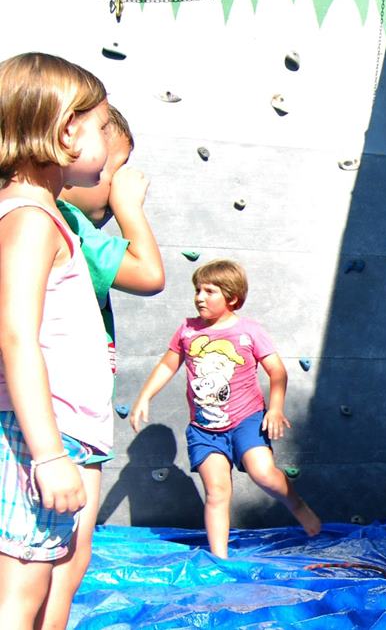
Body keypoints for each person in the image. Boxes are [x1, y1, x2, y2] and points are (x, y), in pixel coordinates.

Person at [38, 106, 165, 630]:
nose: (114, 185)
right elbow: (150, 274)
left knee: (65, 558)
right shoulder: (61, 222)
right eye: (113, 170)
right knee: (56, 561)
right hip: (61, 420)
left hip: (76, 419)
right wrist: (130, 207)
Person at [0, 52, 114, 629]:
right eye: (102, 127)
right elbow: (15, 336)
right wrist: (48, 454)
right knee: (19, 589)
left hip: (51, 431)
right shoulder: (28, 218)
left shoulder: (46, 215)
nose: (108, 142)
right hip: (35, 436)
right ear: (66, 130)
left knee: (41, 577)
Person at [130, 260, 321, 558]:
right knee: (217, 492)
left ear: (232, 297)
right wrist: (145, 396)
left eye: (209, 291)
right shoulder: (187, 330)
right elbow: (168, 365)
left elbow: (277, 371)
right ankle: (219, 558)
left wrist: (275, 409)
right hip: (204, 429)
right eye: (197, 290)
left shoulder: (249, 331)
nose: (199, 297)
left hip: (248, 420)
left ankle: (296, 504)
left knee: (263, 473)